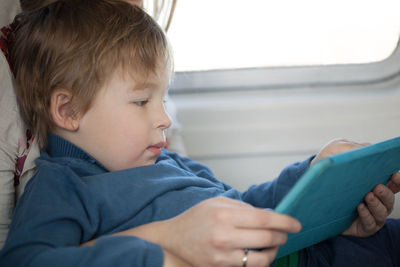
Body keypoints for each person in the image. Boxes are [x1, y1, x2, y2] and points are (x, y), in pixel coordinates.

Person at [0, 1, 399, 266]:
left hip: (316, 247)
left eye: (163, 99)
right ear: (68, 110)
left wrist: (317, 181)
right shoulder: (62, 187)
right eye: (142, 101)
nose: (164, 118)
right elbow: (28, 261)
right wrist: (162, 245)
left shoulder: (167, 161)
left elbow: (244, 207)